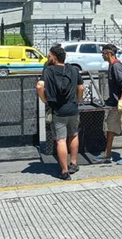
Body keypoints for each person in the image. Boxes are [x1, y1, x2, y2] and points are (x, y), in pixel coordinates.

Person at [36, 44, 84, 180]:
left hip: (58, 110)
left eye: (49, 55)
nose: (48, 57)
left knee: (61, 140)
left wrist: (44, 99)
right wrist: (78, 100)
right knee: (74, 134)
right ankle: (74, 163)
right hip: (73, 109)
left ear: (54, 57)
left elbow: (40, 86)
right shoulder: (73, 69)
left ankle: (64, 171)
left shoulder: (49, 70)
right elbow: (81, 87)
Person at [94, 44, 122, 165]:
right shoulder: (112, 65)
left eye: (103, 53)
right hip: (115, 103)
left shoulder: (116, 66)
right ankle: (107, 154)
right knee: (110, 127)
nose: (102, 55)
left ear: (109, 54)